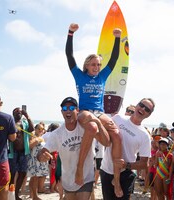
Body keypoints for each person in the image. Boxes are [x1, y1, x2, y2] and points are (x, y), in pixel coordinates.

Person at [65, 22, 124, 197]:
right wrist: (70, 34)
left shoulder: (103, 76)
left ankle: (117, 179)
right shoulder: (79, 75)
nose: (96, 67)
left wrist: (118, 39)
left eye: (98, 64)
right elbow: (69, 55)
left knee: (117, 136)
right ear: (86, 66)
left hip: (99, 112)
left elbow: (114, 59)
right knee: (92, 127)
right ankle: (79, 169)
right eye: (93, 64)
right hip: (84, 111)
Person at [37, 97, 111, 200]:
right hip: (68, 180)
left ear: (77, 111)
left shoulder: (87, 128)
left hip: (86, 177)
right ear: (62, 112)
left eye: (72, 107)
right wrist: (42, 156)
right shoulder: (57, 134)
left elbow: (107, 143)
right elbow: (42, 153)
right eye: (65, 108)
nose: (68, 110)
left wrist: (98, 122)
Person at [100, 98, 155, 200]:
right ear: (137, 104)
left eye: (147, 109)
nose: (142, 109)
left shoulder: (144, 135)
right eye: (141, 105)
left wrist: (126, 165)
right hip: (106, 170)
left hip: (125, 174)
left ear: (149, 115)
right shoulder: (118, 118)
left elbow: (144, 163)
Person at [8, 107, 35, 200]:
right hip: (13, 152)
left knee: (22, 173)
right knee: (12, 174)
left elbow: (31, 129)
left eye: (20, 111)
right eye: (16, 111)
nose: (19, 113)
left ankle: (16, 194)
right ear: (13, 113)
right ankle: (10, 195)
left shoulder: (24, 122)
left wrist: (27, 115)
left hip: (24, 151)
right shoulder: (10, 122)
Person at [27, 123, 49, 200]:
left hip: (40, 161)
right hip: (34, 160)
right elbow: (30, 146)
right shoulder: (32, 136)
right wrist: (37, 140)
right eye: (39, 129)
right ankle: (34, 196)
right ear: (35, 129)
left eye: (42, 129)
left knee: (35, 178)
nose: (40, 130)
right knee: (34, 178)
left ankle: (32, 195)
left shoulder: (42, 137)